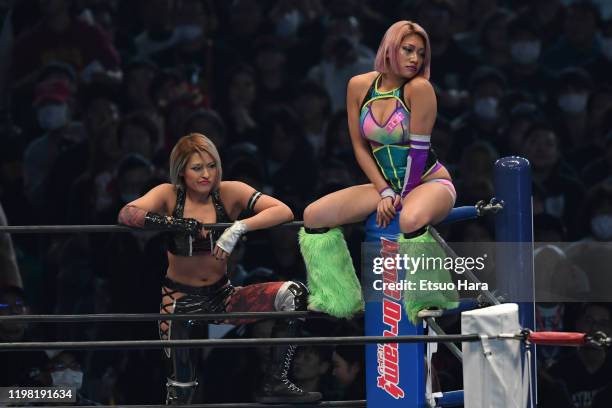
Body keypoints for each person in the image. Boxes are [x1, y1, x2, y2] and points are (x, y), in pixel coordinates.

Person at [117, 133, 321, 405]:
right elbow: (127, 214)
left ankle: (275, 382)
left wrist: (238, 227)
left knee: (293, 293)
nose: (206, 175)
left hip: (222, 296)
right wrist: (175, 223)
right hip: (179, 303)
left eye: (211, 166)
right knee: (181, 393)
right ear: (181, 171)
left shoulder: (229, 191)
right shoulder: (168, 194)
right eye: (197, 168)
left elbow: (283, 211)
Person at [299, 21, 458, 322]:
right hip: (385, 185)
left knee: (410, 218)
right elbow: (360, 148)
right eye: (408, 50)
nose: (415, 59)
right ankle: (339, 298)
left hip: (428, 181)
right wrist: (384, 191)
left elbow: (419, 152)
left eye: (421, 54)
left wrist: (400, 196)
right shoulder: (359, 85)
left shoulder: (419, 89)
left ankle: (431, 297)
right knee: (314, 216)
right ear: (389, 48)